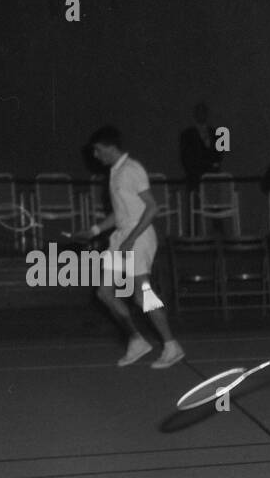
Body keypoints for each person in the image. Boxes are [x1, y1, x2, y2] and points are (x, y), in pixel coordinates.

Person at [77, 126, 185, 369]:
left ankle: (171, 345)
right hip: (121, 236)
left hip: (139, 236)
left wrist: (131, 239)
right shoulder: (114, 172)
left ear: (110, 148)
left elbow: (152, 208)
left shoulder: (131, 169)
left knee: (142, 294)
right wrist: (94, 231)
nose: (96, 155)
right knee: (104, 292)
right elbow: (120, 212)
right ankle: (137, 340)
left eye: (98, 150)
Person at [179, 102, 221, 195]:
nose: (201, 115)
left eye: (203, 112)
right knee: (195, 205)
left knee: (214, 204)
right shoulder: (187, 134)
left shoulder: (216, 133)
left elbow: (219, 156)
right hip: (195, 178)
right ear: (195, 115)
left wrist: (213, 168)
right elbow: (185, 157)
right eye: (199, 112)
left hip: (213, 178)